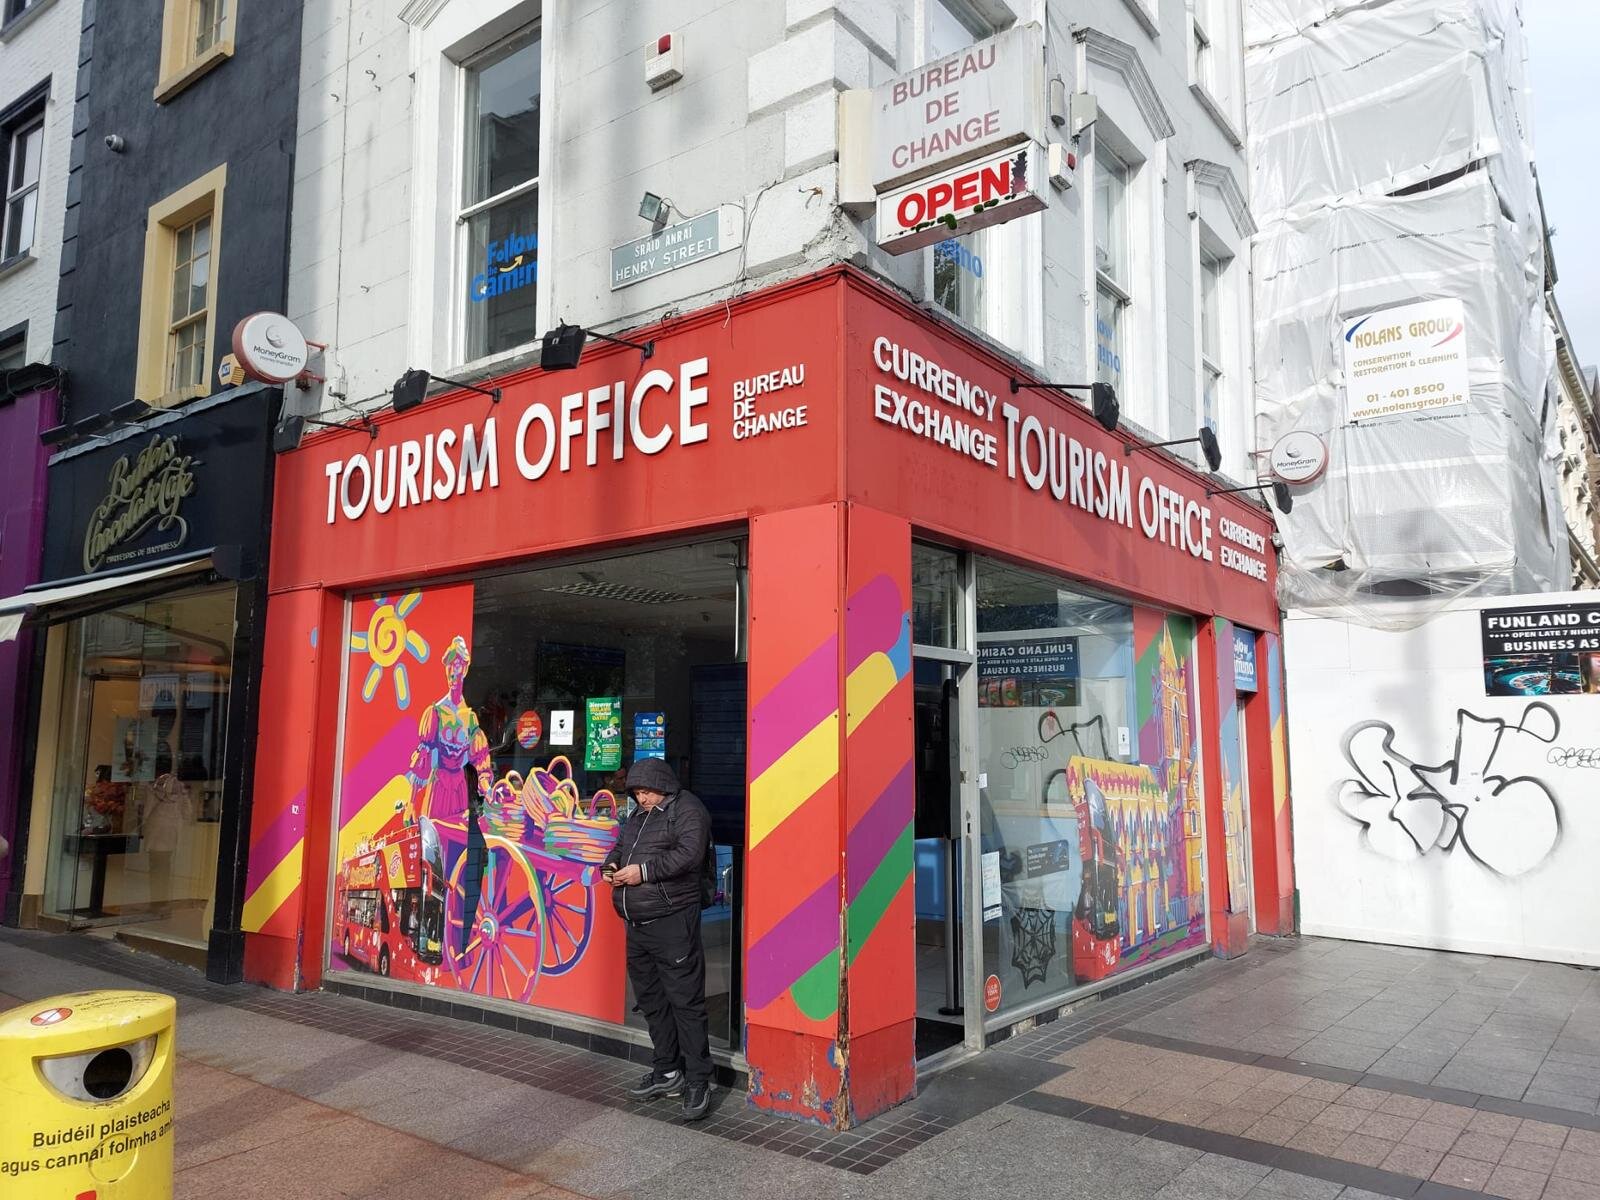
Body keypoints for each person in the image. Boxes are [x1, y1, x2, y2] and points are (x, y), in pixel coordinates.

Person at [602, 757, 713, 1120]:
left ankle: (699, 1080)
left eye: (646, 791)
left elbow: (688, 856)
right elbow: (622, 848)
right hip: (637, 924)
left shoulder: (688, 810)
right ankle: (667, 1070)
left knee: (686, 1002)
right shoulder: (637, 816)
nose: (642, 798)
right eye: (636, 792)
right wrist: (612, 866)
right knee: (652, 1001)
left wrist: (643, 873)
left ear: (663, 785)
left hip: (672, 922)